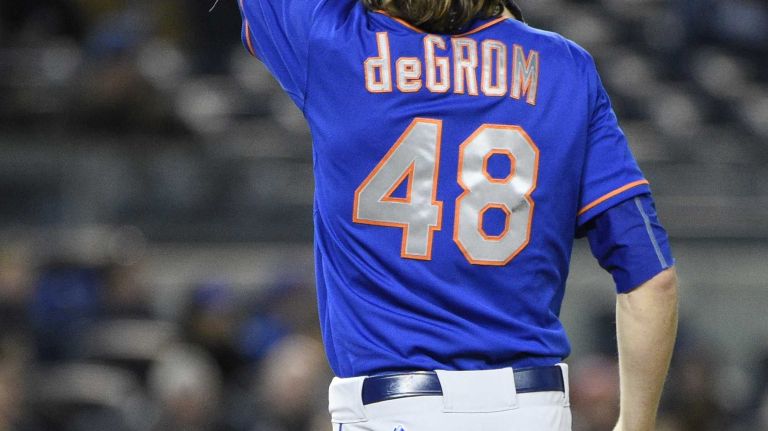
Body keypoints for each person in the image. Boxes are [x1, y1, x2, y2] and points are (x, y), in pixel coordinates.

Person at [234, 0, 679, 430]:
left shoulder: (336, 45)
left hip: (394, 405)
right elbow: (651, 277)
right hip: (532, 407)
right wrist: (634, 424)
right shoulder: (566, 71)